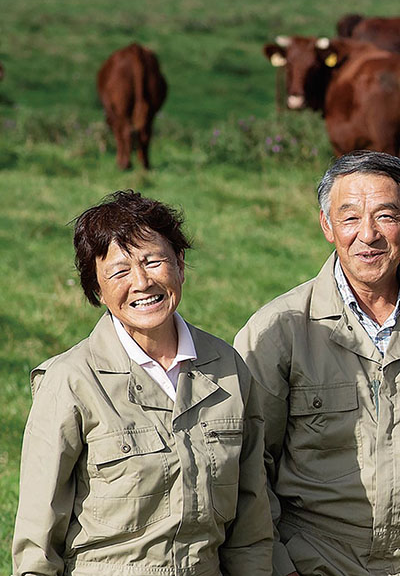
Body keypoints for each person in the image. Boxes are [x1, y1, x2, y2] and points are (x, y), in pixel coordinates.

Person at [235, 151, 400, 576]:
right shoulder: (278, 330)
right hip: (314, 559)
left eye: (386, 216)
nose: (368, 235)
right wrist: (282, 567)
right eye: (350, 217)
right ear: (327, 226)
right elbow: (249, 465)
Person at [12, 190, 272, 575]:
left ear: (180, 264)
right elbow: (37, 539)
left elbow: (251, 524)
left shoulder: (227, 367)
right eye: (119, 271)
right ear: (97, 290)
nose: (142, 282)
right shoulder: (70, 381)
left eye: (154, 261)